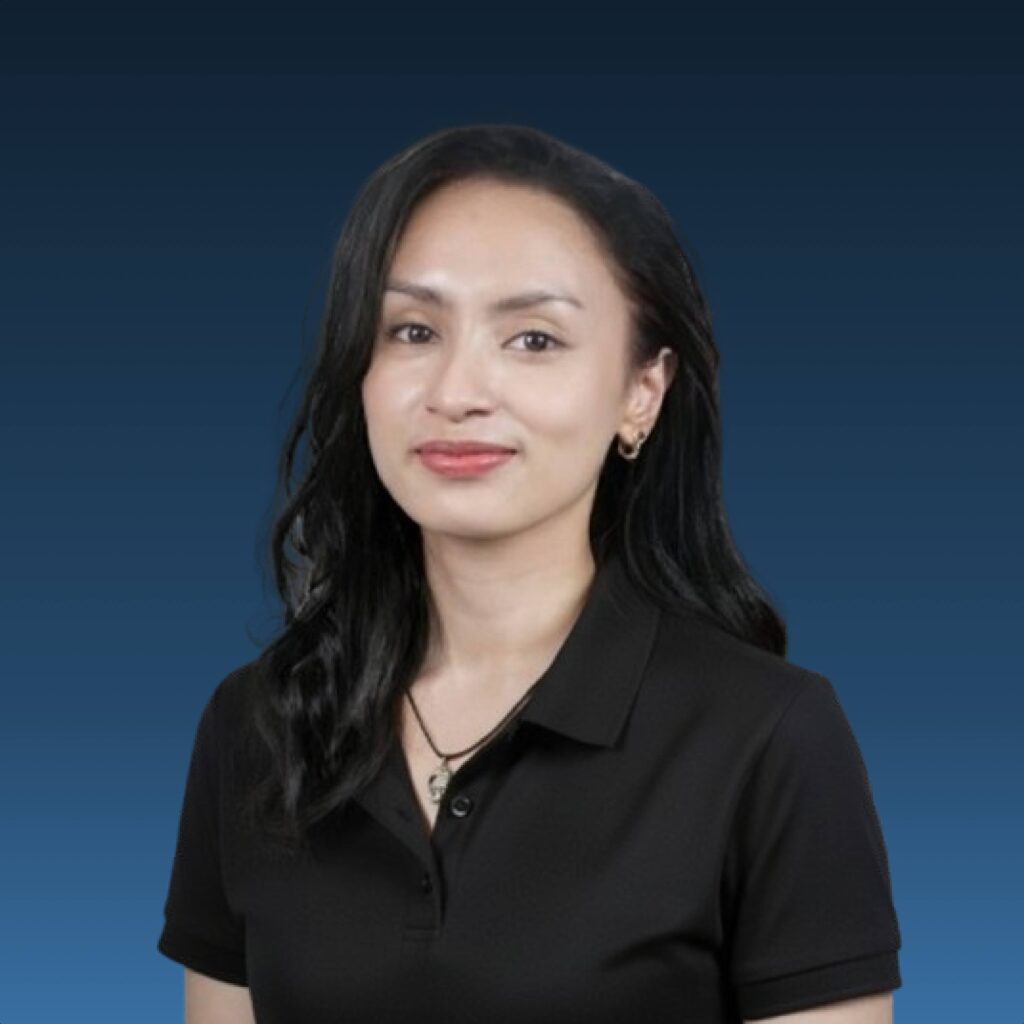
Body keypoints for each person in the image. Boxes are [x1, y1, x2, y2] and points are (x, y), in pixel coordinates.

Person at [157, 123, 902, 1024]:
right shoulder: (259, 724)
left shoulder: (770, 738)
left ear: (642, 391)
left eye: (534, 340)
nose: (457, 392)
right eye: (414, 330)